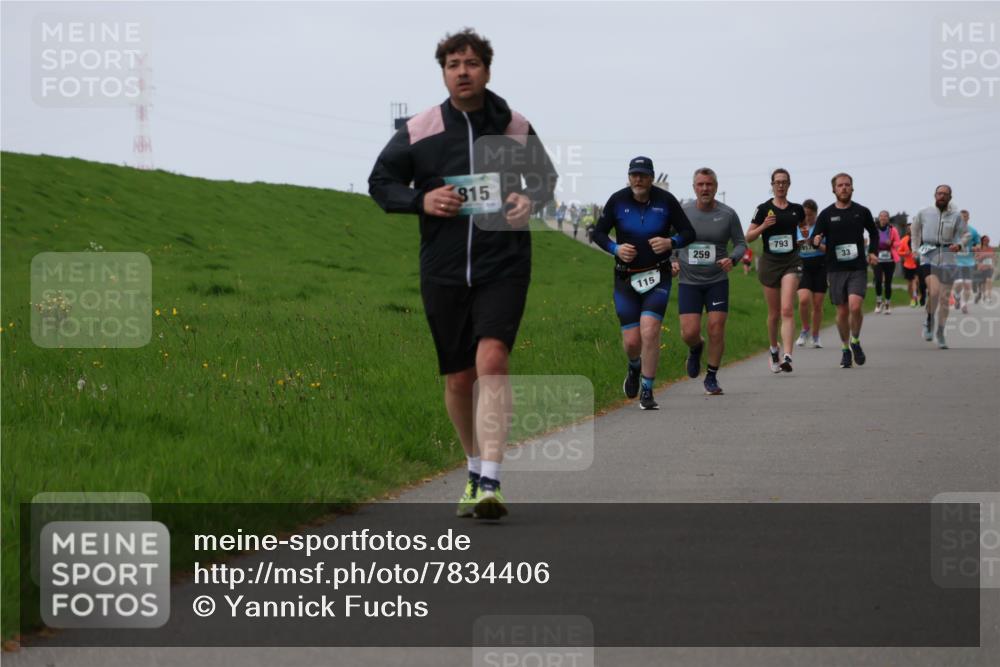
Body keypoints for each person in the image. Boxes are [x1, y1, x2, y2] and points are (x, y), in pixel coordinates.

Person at [368, 28, 558, 519]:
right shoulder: (421, 129)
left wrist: (528, 200)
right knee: (459, 376)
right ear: (444, 73)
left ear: (487, 70)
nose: (463, 72)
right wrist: (421, 200)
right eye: (453, 64)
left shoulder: (513, 124)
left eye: (471, 63)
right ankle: (473, 468)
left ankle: (492, 479)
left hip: (504, 262)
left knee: (492, 359)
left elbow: (544, 179)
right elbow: (381, 181)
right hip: (445, 267)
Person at [592, 156, 695, 410]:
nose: (638, 179)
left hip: (657, 275)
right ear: (629, 177)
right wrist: (615, 248)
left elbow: (688, 233)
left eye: (643, 175)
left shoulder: (666, 201)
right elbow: (597, 233)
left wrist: (671, 243)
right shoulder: (617, 200)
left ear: (651, 178)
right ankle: (634, 367)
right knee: (631, 342)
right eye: (634, 174)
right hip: (626, 278)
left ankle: (648, 390)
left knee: (650, 330)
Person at [671, 167, 747, 395]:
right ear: (694, 187)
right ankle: (696, 348)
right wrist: (673, 260)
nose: (705, 188)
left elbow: (741, 243)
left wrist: (732, 259)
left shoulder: (728, 214)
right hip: (688, 281)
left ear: (716, 187)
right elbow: (669, 240)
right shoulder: (682, 212)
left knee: (716, 328)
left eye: (709, 184)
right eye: (701, 184)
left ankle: (711, 376)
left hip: (717, 281)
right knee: (689, 332)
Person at [810, 173, 878, 368]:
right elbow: (816, 236)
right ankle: (845, 348)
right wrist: (815, 240)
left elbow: (873, 232)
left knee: (855, 307)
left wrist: (872, 252)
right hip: (835, 269)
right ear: (834, 189)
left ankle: (855, 341)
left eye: (847, 185)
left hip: (857, 267)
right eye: (840, 185)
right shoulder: (826, 214)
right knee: (842, 312)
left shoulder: (861, 211)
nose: (844, 188)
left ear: (852, 188)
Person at [745, 168, 804, 373]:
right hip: (770, 263)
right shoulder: (763, 209)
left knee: (787, 308)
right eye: (777, 182)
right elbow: (749, 237)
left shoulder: (797, 209)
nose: (780, 185)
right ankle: (773, 349)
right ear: (772, 185)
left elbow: (803, 232)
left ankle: (787, 355)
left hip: (791, 261)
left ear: (789, 184)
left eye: (784, 182)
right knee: (774, 313)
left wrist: (805, 238)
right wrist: (763, 226)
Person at [911, 184, 970, 349]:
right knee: (934, 292)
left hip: (948, 257)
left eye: (945, 194)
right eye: (939, 193)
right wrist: (915, 250)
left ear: (950, 197)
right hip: (928, 254)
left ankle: (941, 332)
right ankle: (929, 320)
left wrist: (959, 245)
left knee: (945, 299)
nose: (941, 196)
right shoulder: (924, 212)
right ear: (934, 195)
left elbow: (966, 234)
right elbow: (915, 230)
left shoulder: (956, 216)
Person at [795, 199, 826, 348]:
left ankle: (815, 335)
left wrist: (816, 244)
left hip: (820, 266)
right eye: (805, 215)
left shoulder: (822, 228)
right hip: (803, 267)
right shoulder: (797, 228)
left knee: (818, 304)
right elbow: (792, 248)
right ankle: (805, 329)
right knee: (803, 300)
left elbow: (829, 250)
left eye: (810, 215)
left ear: (816, 214)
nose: (807, 218)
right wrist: (798, 244)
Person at [872, 210, 901, 314]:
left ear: (888, 218)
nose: (883, 218)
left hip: (890, 258)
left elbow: (898, 243)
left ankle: (888, 304)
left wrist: (892, 242)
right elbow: (871, 242)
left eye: (885, 216)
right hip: (877, 258)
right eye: (881, 216)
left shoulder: (893, 230)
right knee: (878, 280)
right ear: (878, 218)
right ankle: (879, 302)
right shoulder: (874, 229)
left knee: (888, 282)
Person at [951, 210, 980, 314]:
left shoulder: (973, 231)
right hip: (956, 261)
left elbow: (978, 244)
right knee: (958, 283)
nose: (963, 218)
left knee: (968, 285)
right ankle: (957, 296)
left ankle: (964, 304)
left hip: (969, 262)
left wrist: (976, 247)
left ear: (968, 218)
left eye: (965, 217)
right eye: (961, 217)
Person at [898, 223, 923, 307]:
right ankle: (912, 299)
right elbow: (898, 252)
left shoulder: (919, 239)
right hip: (908, 264)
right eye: (909, 229)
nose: (911, 230)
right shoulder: (904, 240)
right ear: (907, 230)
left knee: (917, 281)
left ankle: (919, 297)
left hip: (918, 263)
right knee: (910, 283)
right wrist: (905, 253)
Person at [975, 235, 995, 304]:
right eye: (984, 240)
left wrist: (993, 265)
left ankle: (989, 297)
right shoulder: (978, 248)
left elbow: (993, 257)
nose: (986, 241)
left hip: (989, 268)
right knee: (982, 283)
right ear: (982, 241)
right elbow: (976, 258)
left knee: (988, 280)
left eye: (987, 240)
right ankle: (983, 295)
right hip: (981, 268)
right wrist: (982, 257)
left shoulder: (991, 248)